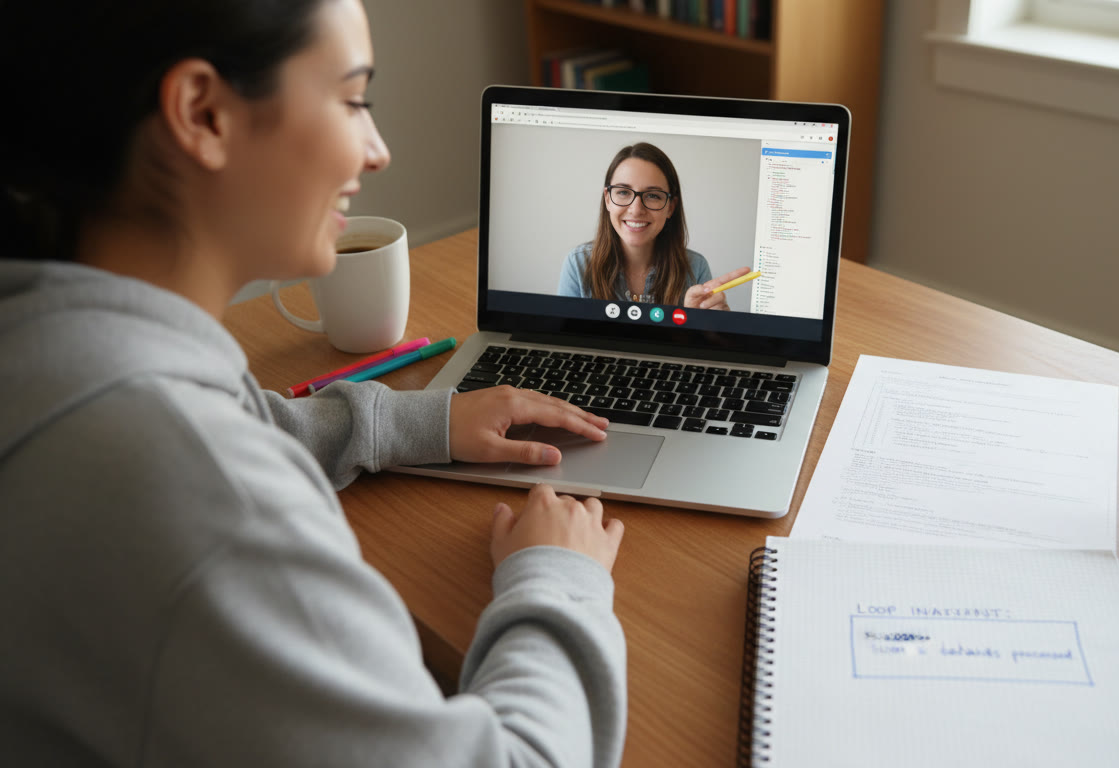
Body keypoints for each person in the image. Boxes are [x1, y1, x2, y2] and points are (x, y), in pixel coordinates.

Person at [0, 1, 627, 766]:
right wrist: (560, 579)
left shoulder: (51, 338)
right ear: (203, 113)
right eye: (353, 98)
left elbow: (229, 420)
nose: (377, 150)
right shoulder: (209, 500)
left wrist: (421, 424)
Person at [557, 142, 751, 309]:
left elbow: (698, 347)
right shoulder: (578, 264)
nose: (635, 209)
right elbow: (565, 339)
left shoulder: (696, 267)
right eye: (623, 192)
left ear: (670, 207)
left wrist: (700, 324)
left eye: (652, 196)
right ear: (608, 199)